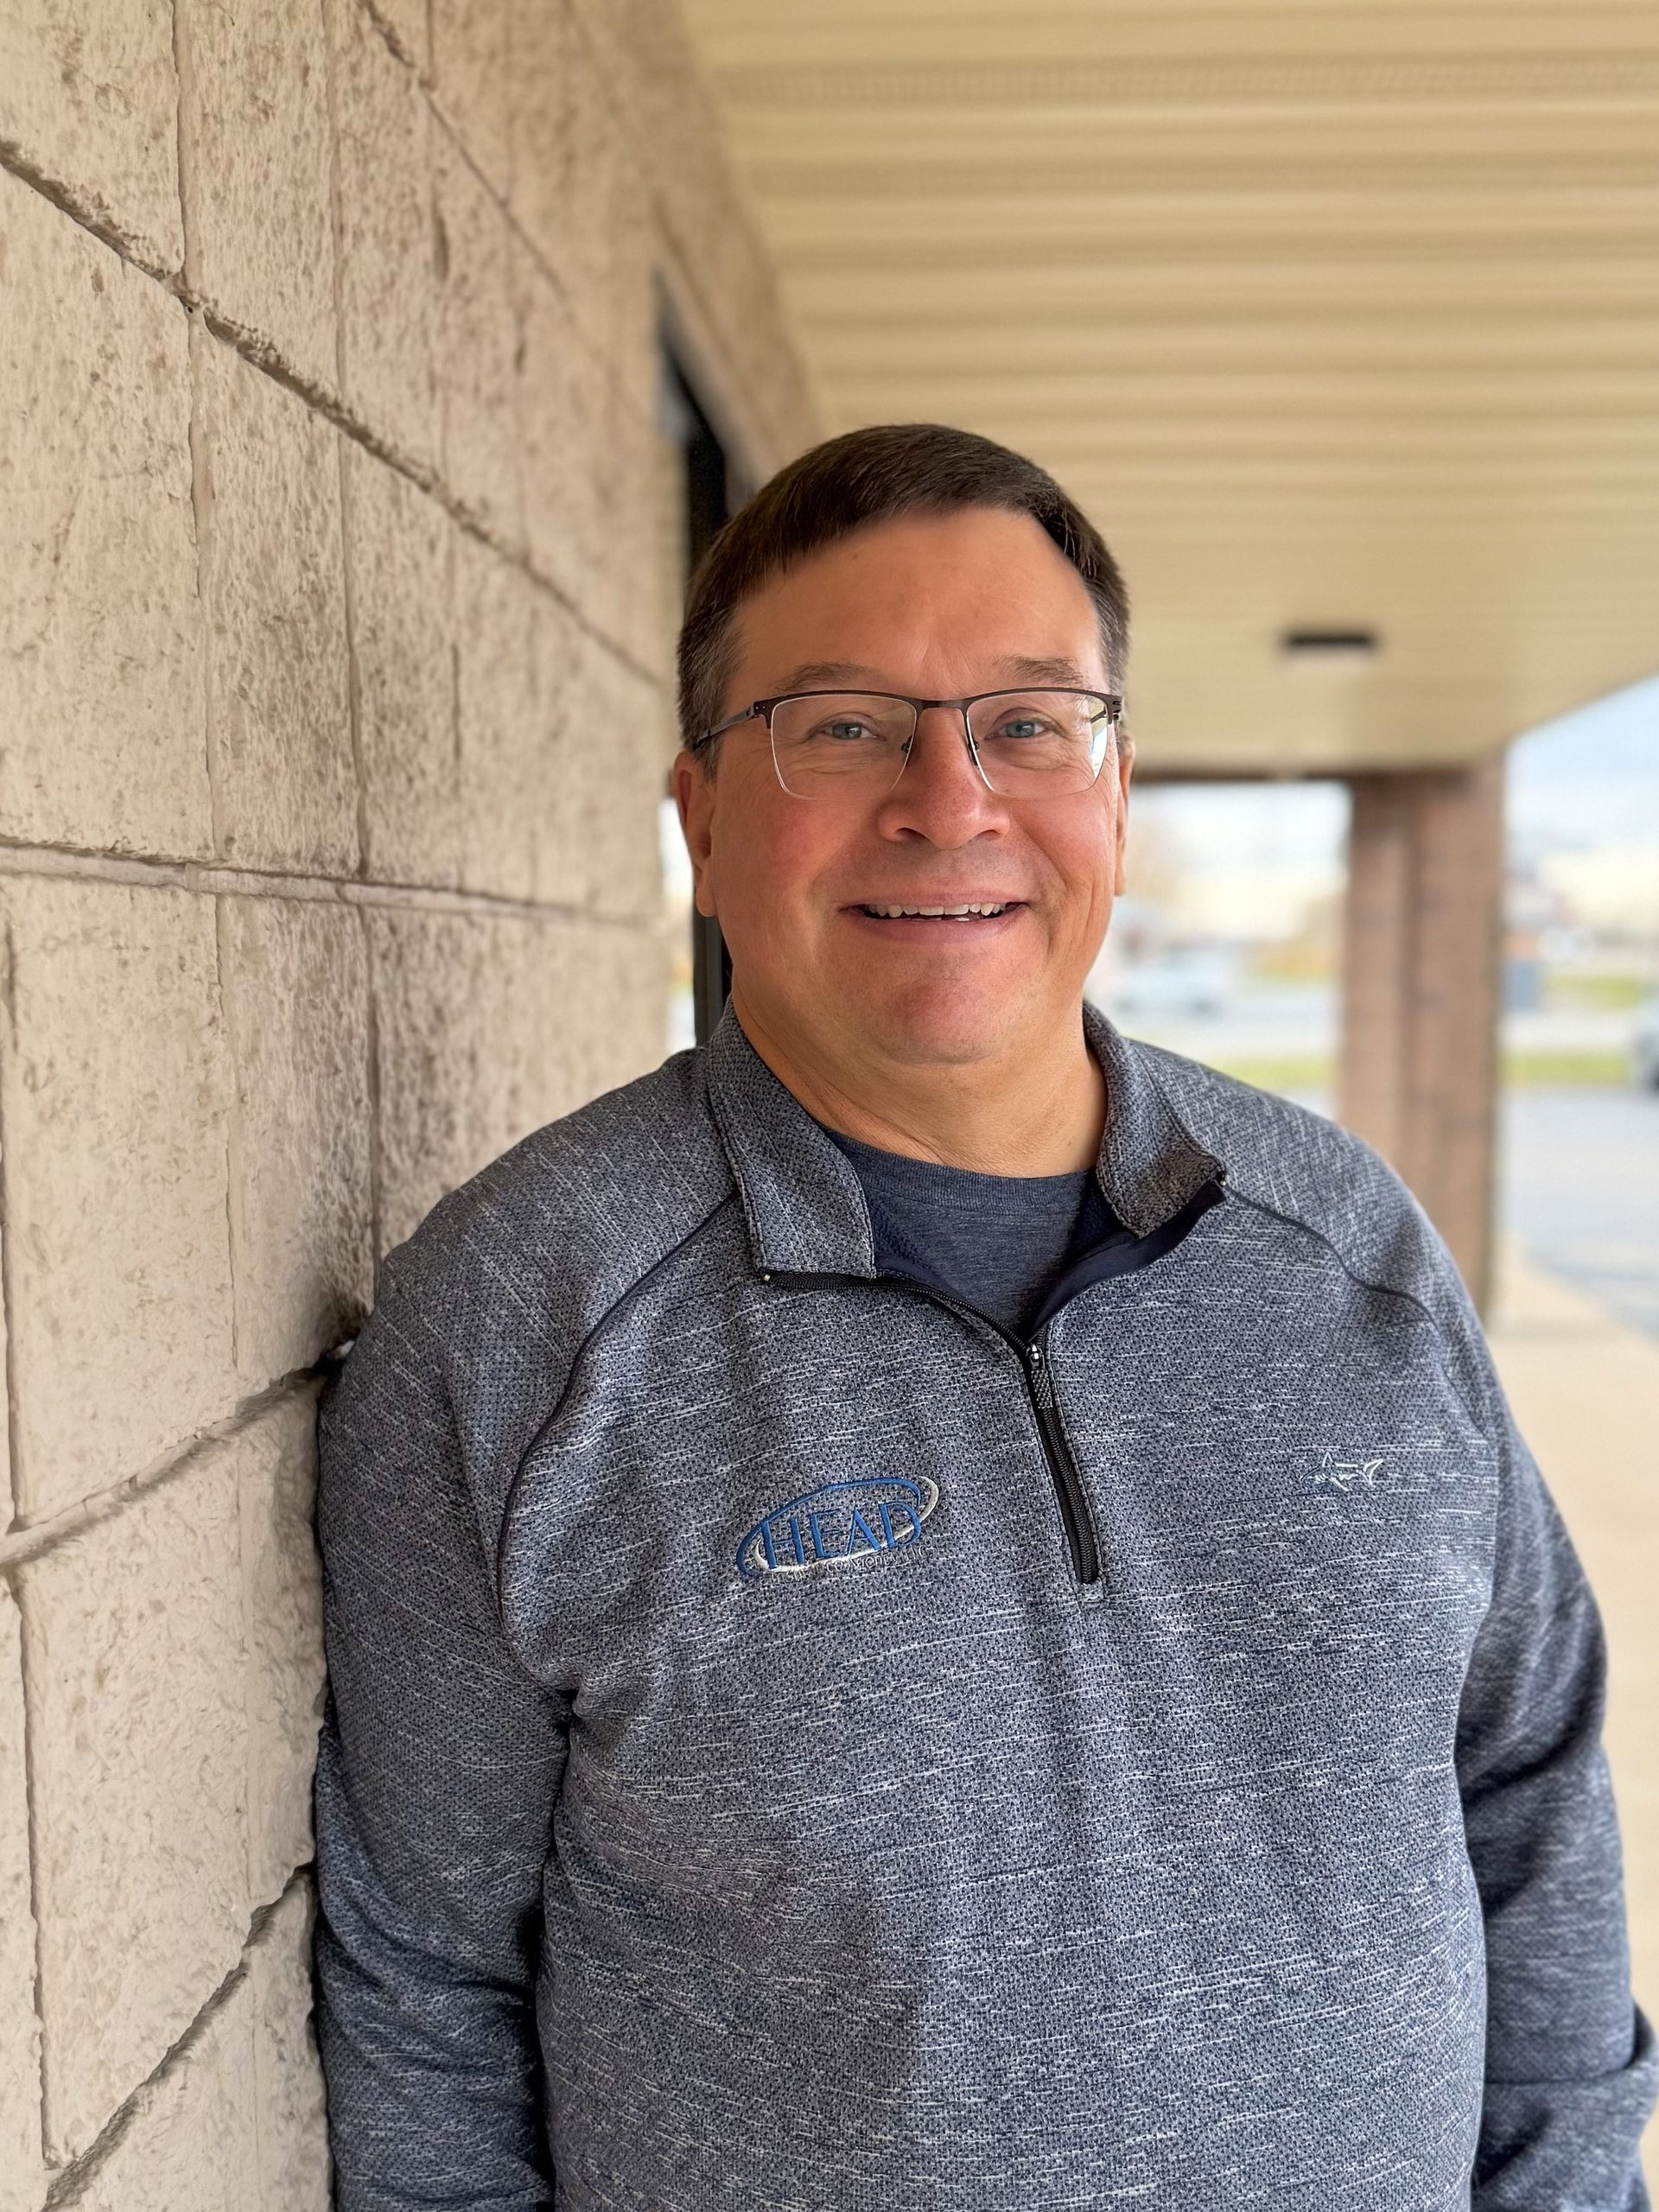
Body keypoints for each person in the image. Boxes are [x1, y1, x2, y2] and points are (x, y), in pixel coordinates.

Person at [311, 423, 1656, 2209]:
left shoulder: (1345, 1248)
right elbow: (426, 1989)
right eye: (844, 722)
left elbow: (1530, 1781)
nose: (950, 800)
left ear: (1114, 789)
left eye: (1029, 721)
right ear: (703, 817)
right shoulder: (524, 1322)